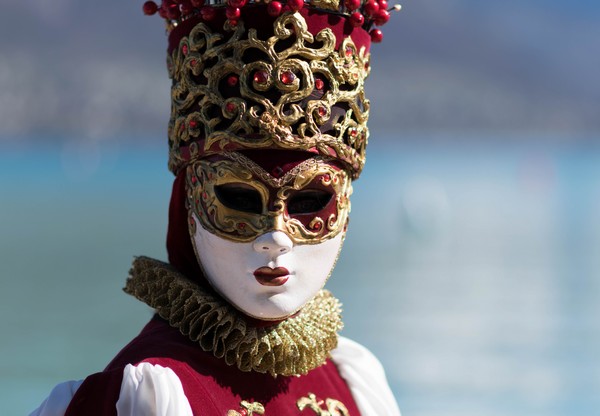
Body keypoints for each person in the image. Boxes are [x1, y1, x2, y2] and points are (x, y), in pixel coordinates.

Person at [31, 0, 401, 414]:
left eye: (310, 201)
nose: (276, 237)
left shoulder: (355, 380)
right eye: (240, 199)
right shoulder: (146, 397)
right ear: (188, 202)